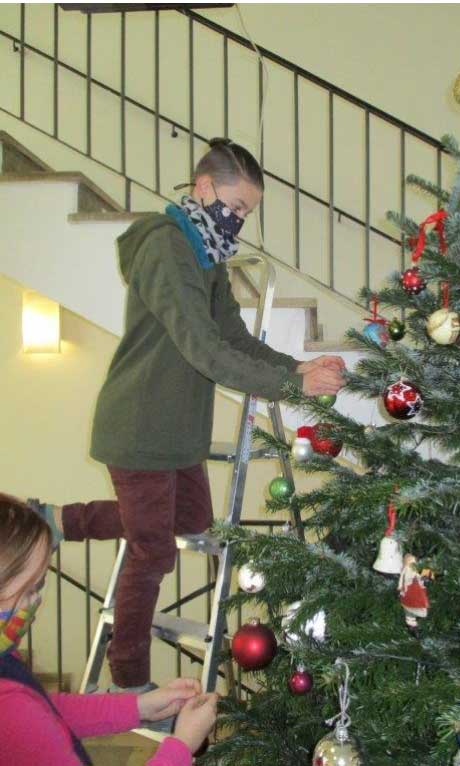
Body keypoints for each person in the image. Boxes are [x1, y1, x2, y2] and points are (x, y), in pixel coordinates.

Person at [33, 138, 346, 697]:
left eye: (248, 211)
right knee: (152, 550)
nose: (240, 220)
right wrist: (293, 384)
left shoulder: (207, 255)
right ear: (204, 188)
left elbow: (234, 339)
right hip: (140, 426)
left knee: (192, 518)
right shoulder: (165, 245)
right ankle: (129, 680)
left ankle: (61, 520)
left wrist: (297, 367)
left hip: (177, 432)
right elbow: (204, 350)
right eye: (237, 206)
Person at [0, 494, 218, 766]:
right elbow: (25, 717)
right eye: (30, 589)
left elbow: (44, 710)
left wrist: (140, 707)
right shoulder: (9, 704)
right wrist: (182, 746)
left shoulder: (5, 659)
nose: (35, 601)